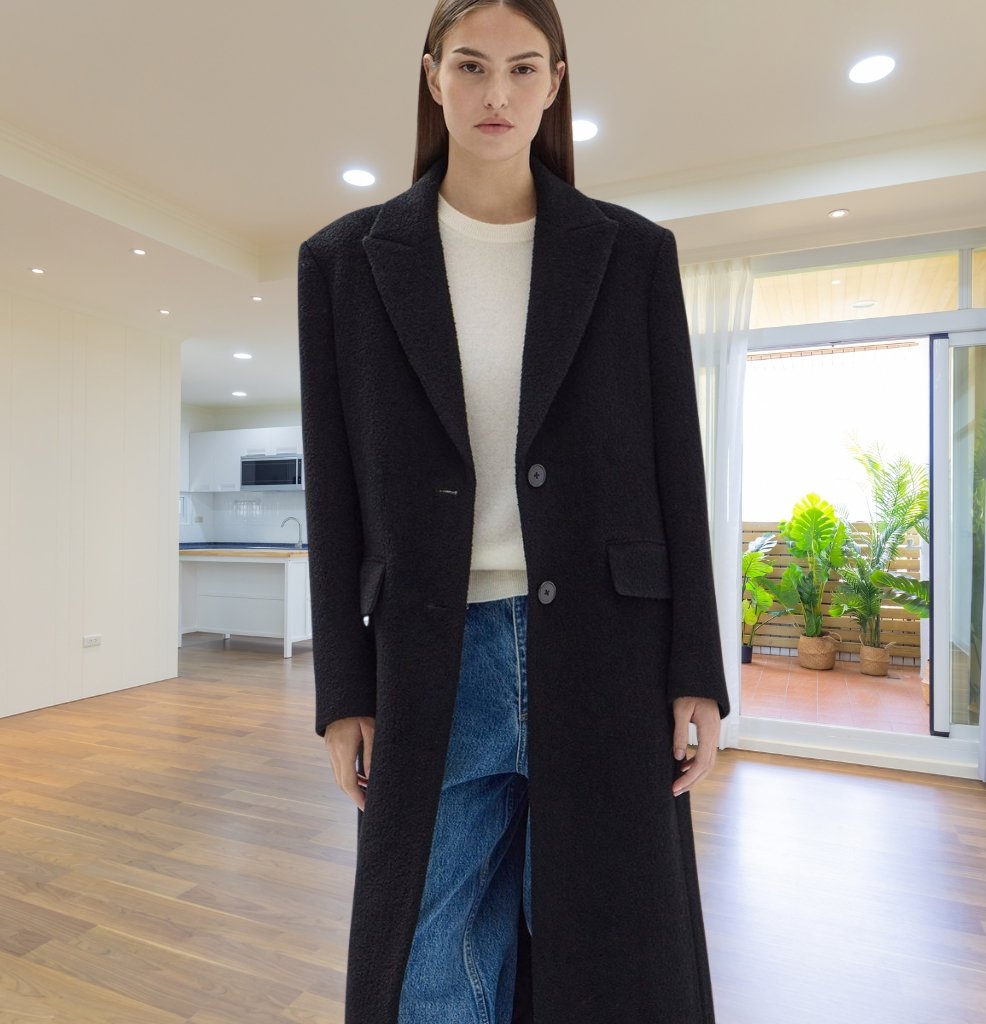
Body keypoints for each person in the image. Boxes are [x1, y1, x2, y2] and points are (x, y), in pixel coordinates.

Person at [296, 1, 730, 1022]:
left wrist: (694, 672)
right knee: (430, 952)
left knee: (609, 947)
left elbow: (678, 468)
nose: (497, 93)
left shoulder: (630, 254)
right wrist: (343, 692)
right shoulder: (345, 262)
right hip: (431, 651)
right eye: (472, 65)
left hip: (608, 648)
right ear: (432, 75)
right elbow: (336, 490)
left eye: (523, 68)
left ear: (555, 80)